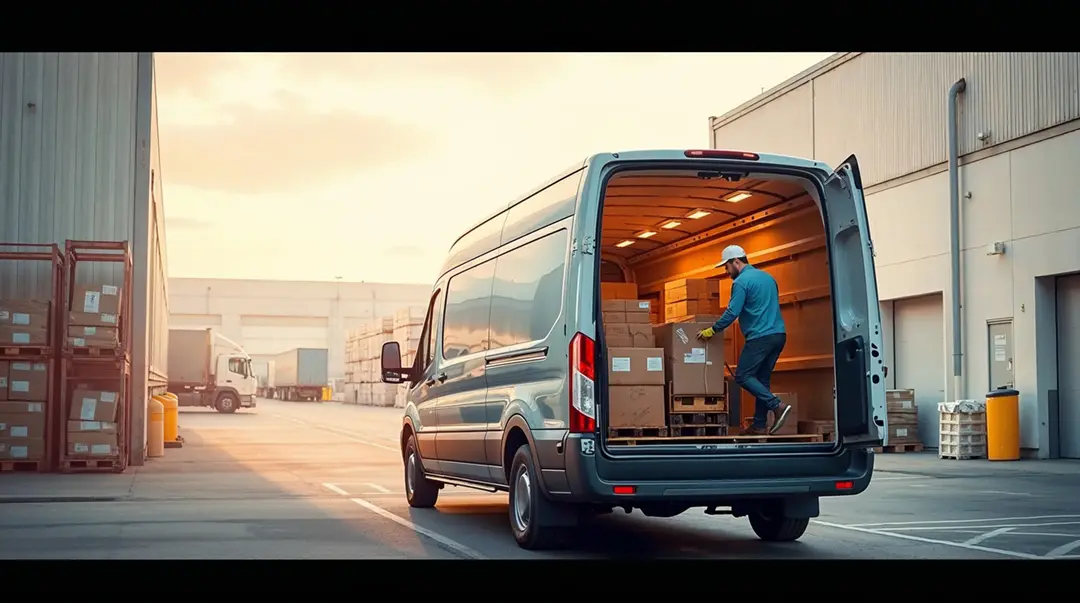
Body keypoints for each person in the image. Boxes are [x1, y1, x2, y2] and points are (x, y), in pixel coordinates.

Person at [696, 245, 792, 436]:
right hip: (778, 335)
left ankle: (776, 405)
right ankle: (758, 425)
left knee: (743, 375)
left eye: (726, 266)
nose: (726, 271)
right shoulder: (768, 278)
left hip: (760, 337)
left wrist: (712, 330)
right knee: (762, 380)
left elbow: (733, 312)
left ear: (736, 262)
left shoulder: (741, 282)